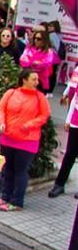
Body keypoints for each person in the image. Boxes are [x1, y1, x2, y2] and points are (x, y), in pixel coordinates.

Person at [0, 69, 51, 211]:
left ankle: (17, 201)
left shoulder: (40, 97)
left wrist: (29, 125)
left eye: (37, 79)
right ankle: (5, 196)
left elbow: (44, 115)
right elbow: (1, 109)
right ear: (24, 80)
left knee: (20, 171)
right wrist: (1, 122)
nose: (37, 82)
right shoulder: (11, 93)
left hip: (27, 141)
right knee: (7, 168)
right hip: (8, 138)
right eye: (33, 79)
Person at [50, 65, 78, 198]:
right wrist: (68, 119)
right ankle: (59, 184)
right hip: (75, 122)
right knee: (70, 154)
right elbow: (74, 100)